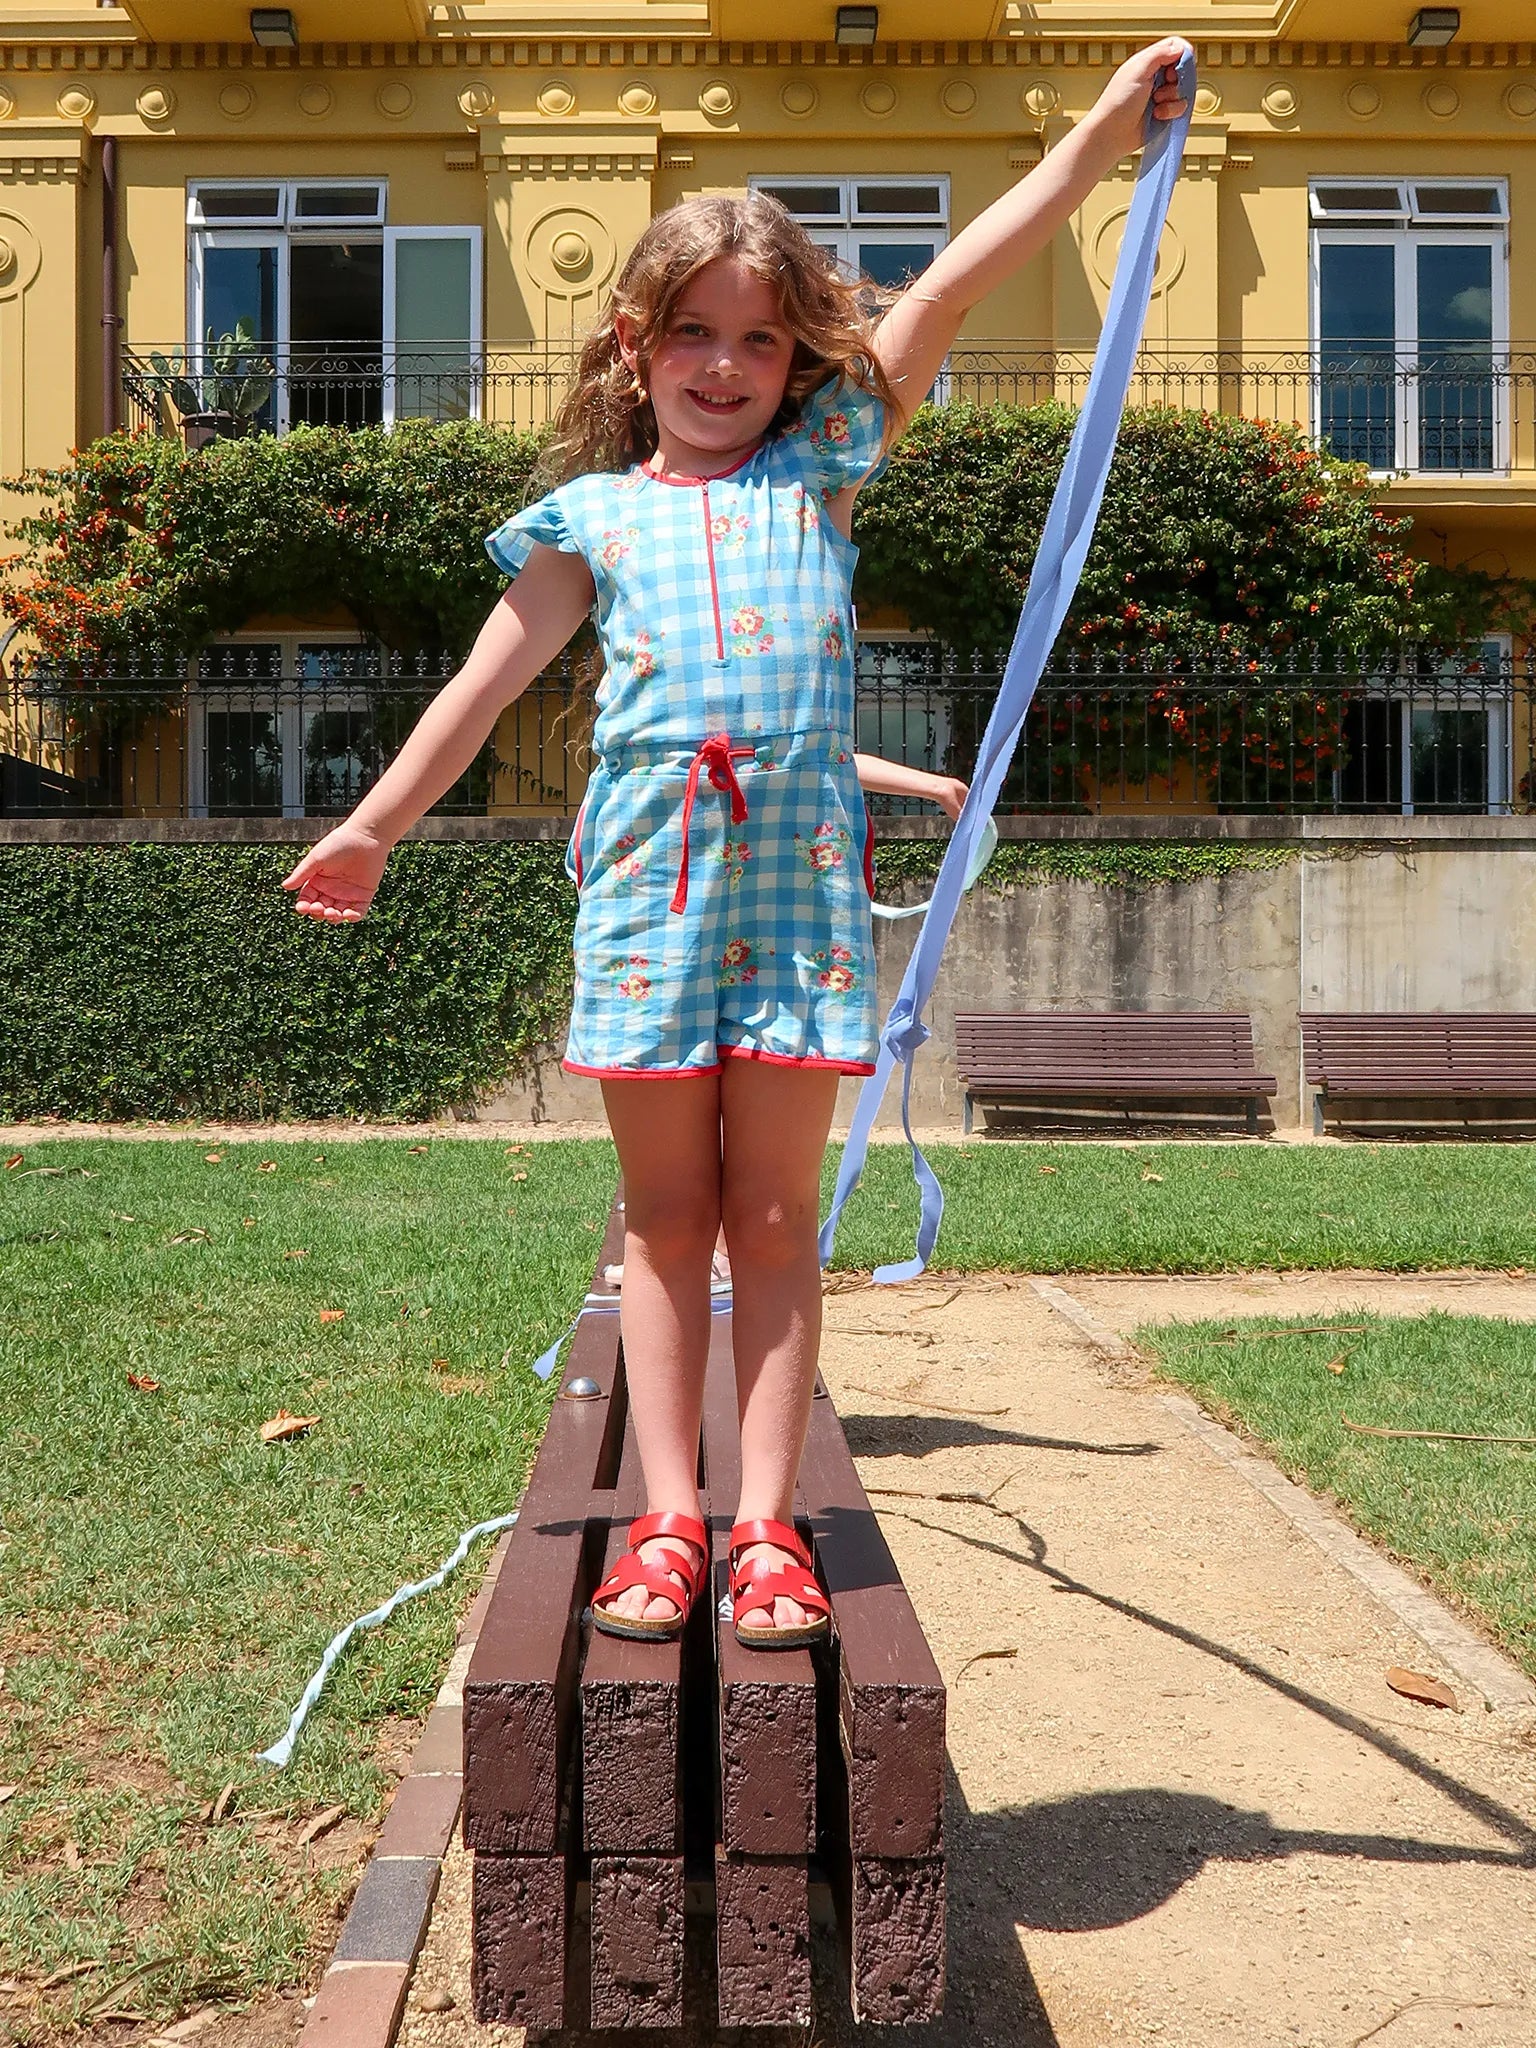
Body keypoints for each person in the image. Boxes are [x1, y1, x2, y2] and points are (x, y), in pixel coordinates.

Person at [282, 41, 1189, 1648]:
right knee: (662, 1218)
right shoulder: (589, 522)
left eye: (759, 341)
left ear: (796, 361)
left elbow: (951, 292)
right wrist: (368, 829)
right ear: (635, 347)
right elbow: (481, 692)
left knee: (771, 1215)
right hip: (648, 886)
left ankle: (767, 1525)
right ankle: (667, 1520)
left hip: (797, 894)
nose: (724, 366)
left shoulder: (823, 473)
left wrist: (1098, 143)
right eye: (691, 334)